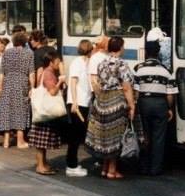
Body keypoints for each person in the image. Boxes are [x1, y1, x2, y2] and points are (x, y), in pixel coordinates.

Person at [85, 36, 136, 179]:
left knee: (106, 135)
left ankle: (105, 167)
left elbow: (97, 82)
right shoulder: (122, 64)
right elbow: (126, 87)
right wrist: (131, 106)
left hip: (102, 101)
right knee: (116, 136)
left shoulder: (102, 63)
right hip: (116, 101)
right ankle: (112, 170)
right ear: (120, 48)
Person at [133, 40, 178, 176]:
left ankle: (143, 167)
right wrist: (169, 108)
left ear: (146, 52)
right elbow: (170, 93)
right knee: (159, 137)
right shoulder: (166, 70)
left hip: (144, 103)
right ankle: (155, 168)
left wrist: (135, 105)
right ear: (158, 52)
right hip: (160, 104)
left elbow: (136, 91)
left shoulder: (138, 69)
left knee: (144, 134)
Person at [28, 51, 66, 175]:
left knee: (42, 142)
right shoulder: (49, 74)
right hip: (45, 112)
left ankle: (43, 164)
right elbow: (52, 92)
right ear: (51, 62)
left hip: (43, 111)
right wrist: (60, 81)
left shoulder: (45, 72)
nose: (59, 64)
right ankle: (40, 166)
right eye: (57, 62)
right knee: (41, 141)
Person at [0, 31, 35, 149]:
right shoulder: (29, 53)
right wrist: (32, 87)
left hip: (8, 82)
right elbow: (31, 72)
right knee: (20, 110)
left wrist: (0, 86)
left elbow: (1, 71)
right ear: (24, 41)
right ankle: (20, 141)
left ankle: (6, 141)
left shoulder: (6, 53)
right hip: (21, 83)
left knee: (6, 110)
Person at [65, 39, 93, 177]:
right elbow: (73, 81)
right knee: (75, 135)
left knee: (78, 134)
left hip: (84, 102)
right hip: (78, 103)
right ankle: (71, 166)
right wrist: (74, 102)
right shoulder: (77, 63)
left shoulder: (86, 62)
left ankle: (73, 164)